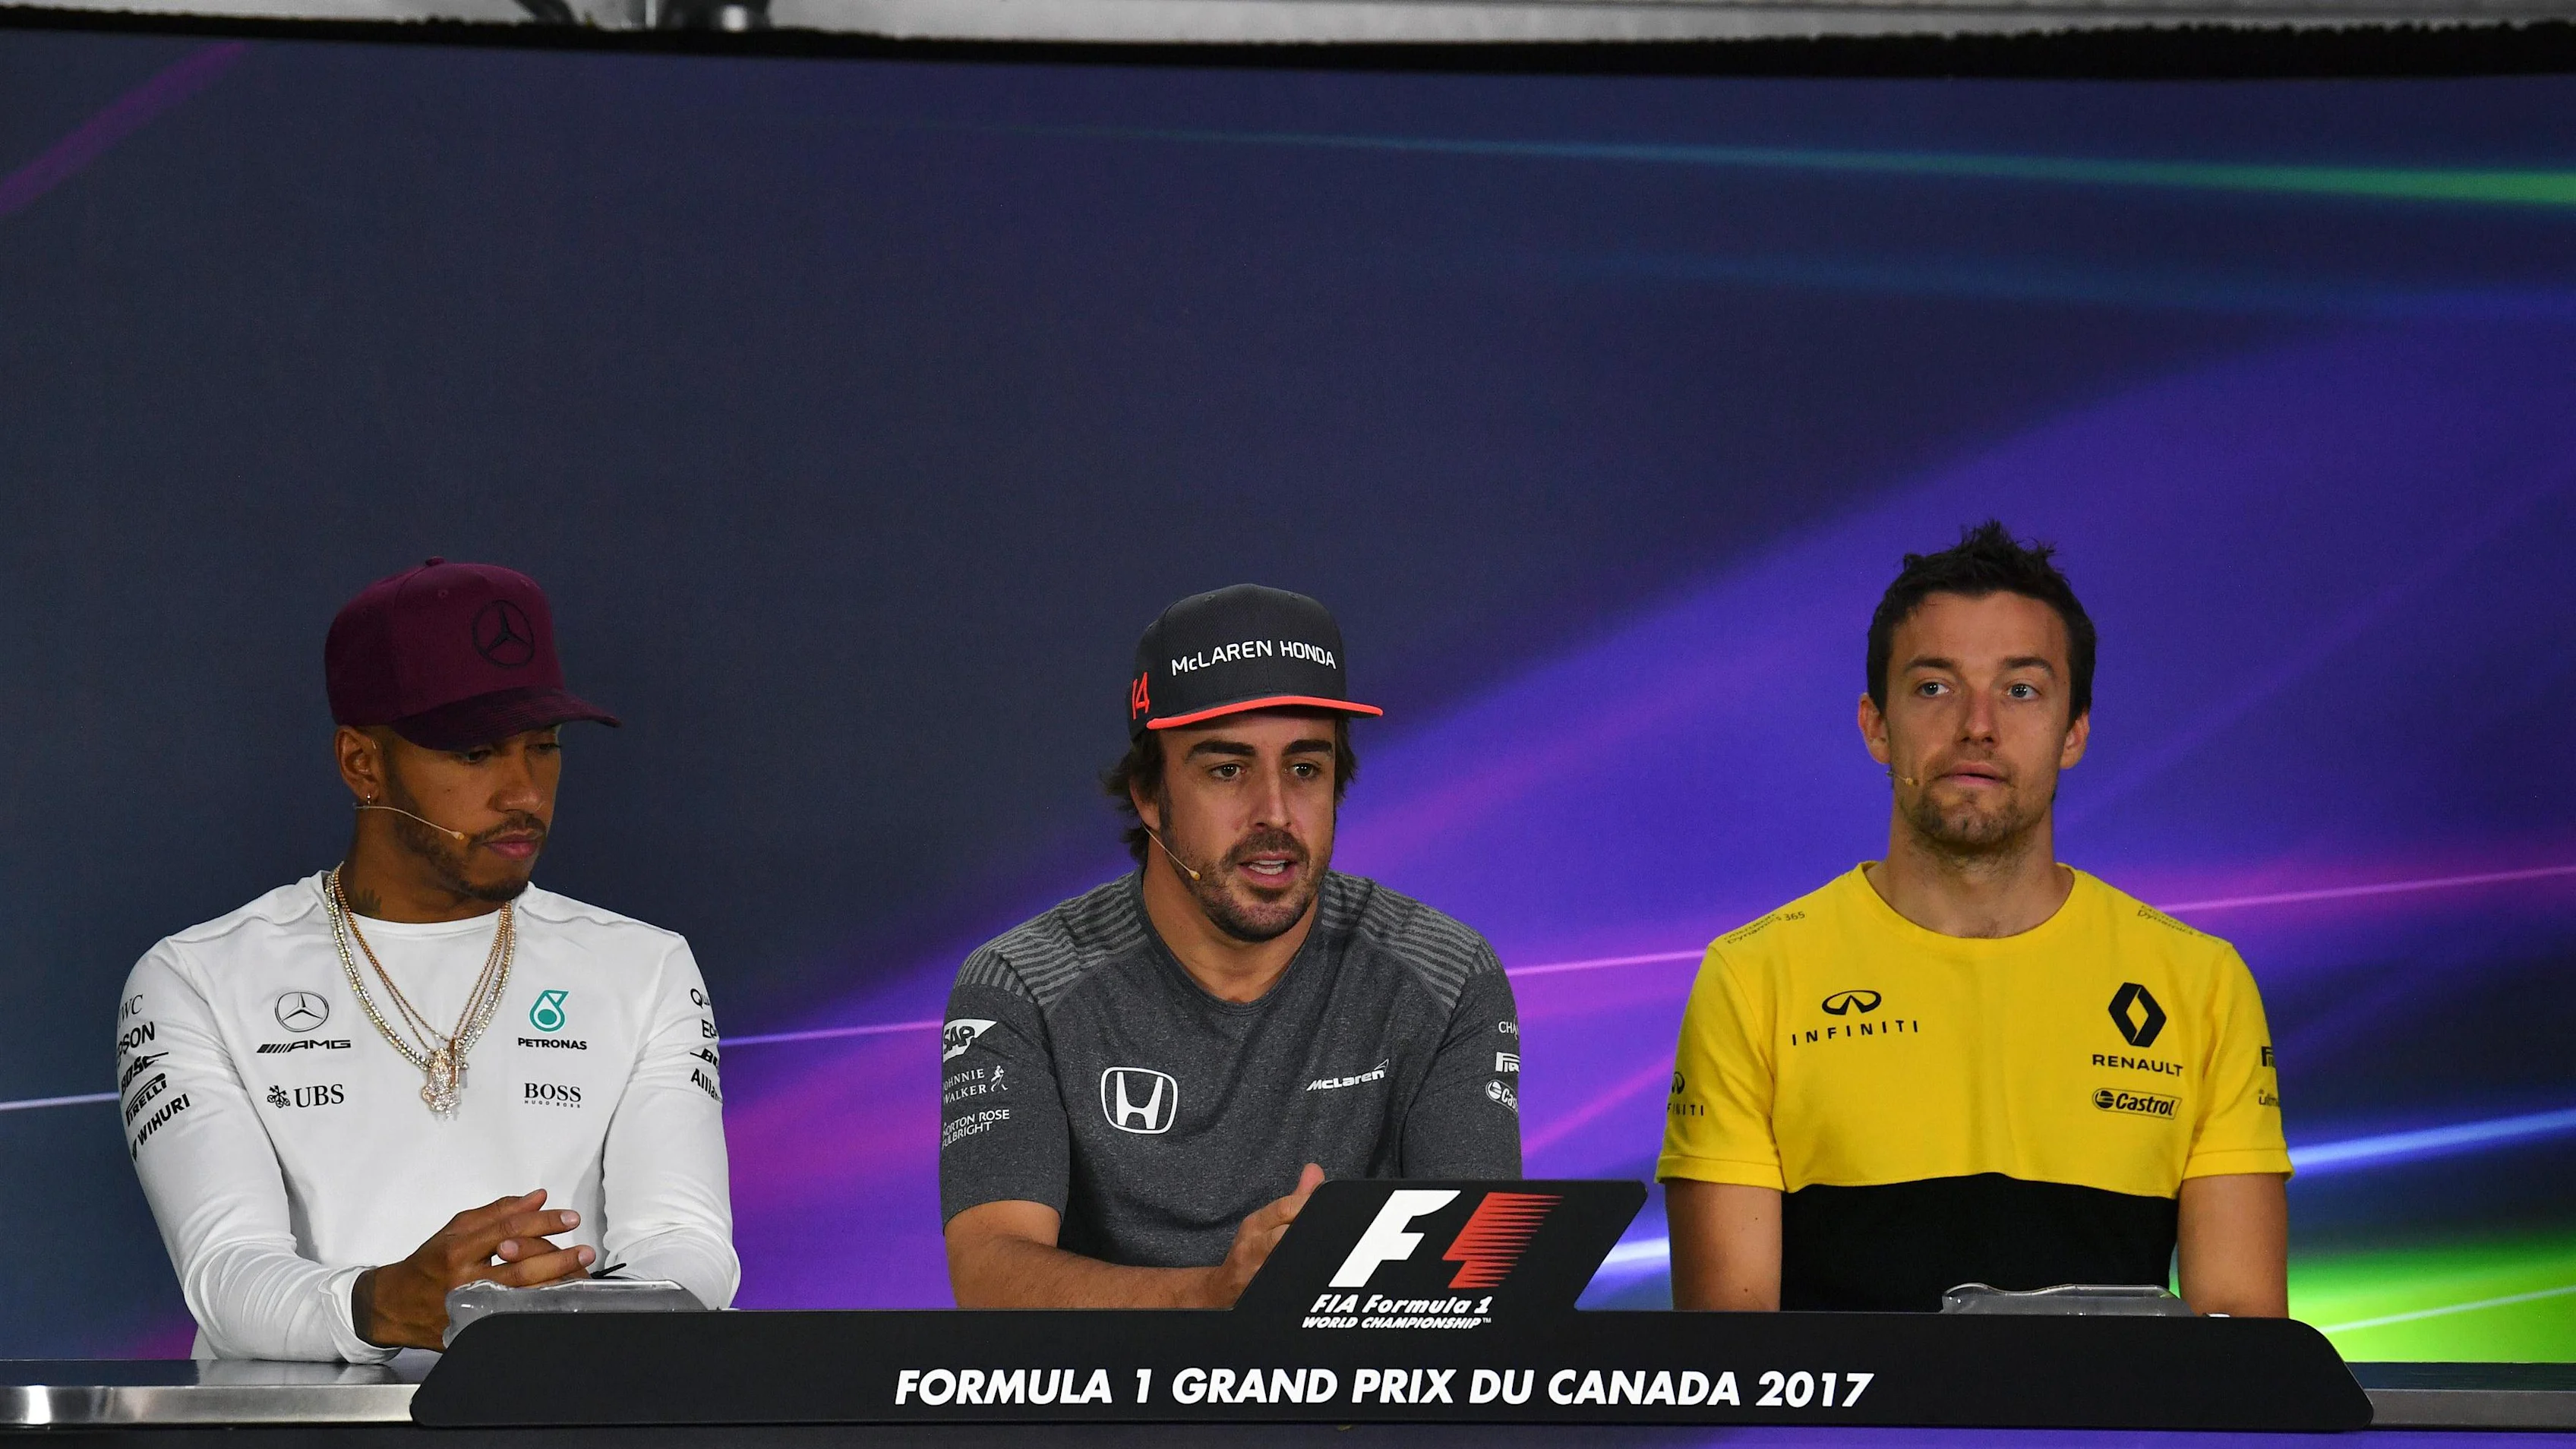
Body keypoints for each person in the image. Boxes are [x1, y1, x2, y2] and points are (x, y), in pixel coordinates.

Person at [1660, 522, 2290, 1315]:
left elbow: (2238, 1355)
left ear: (2074, 733)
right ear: (1874, 727)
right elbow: (1730, 1362)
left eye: (2020, 689)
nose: (1977, 725)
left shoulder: (2199, 983)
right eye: (1933, 687)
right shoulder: (1753, 978)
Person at [118, 559, 736, 1360]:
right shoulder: (192, 979)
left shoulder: (645, 967)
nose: (524, 792)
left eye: (543, 747)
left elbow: (688, 1245)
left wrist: (563, 1323)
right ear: (361, 763)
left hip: (557, 1421)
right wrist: (386, 1304)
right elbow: (226, 1275)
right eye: (476, 753)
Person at [940, 584, 1523, 1308]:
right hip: (1116, 1418)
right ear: (1150, 795)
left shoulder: (1446, 974)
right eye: (1227, 770)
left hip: (1350, 1417)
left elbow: (1476, 1288)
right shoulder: (1022, 984)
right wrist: (1215, 1300)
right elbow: (990, 1277)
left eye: (1305, 768)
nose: (1275, 813)